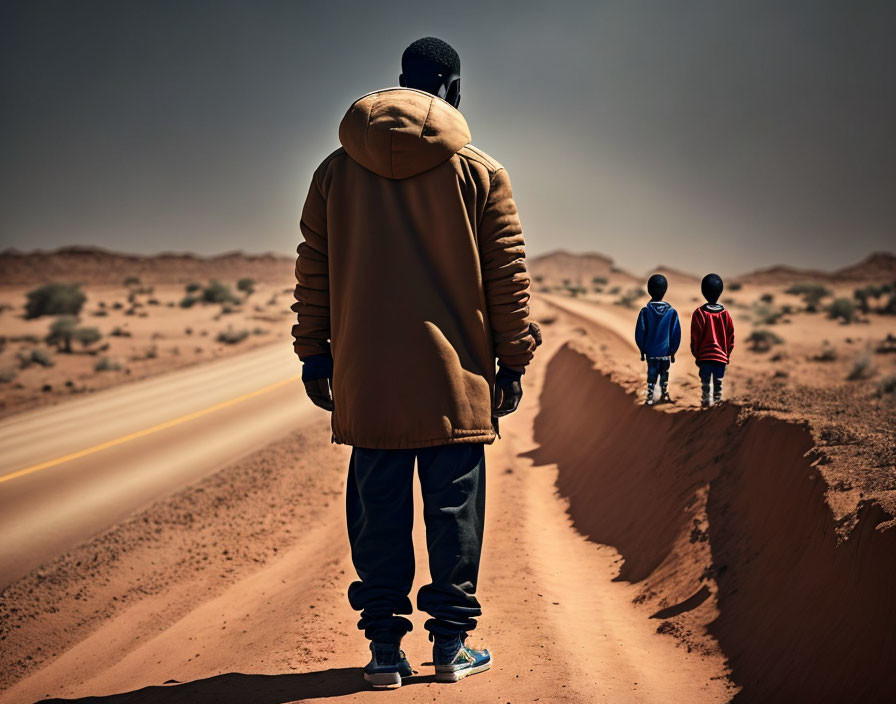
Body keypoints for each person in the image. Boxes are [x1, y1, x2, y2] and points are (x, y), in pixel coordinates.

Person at [291, 36, 540, 688]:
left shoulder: (334, 171)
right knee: (453, 512)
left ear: (400, 82)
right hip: (453, 382)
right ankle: (450, 647)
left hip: (367, 381)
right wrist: (512, 364)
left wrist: (315, 353)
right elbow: (507, 282)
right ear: (453, 90)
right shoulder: (482, 173)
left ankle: (382, 653)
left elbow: (312, 270)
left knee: (378, 513)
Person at [634, 274, 681, 405]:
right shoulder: (672, 312)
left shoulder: (645, 311)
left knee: (652, 374)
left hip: (651, 352)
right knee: (664, 373)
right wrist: (672, 350)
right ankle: (664, 394)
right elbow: (675, 334)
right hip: (665, 352)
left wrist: (642, 349)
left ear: (649, 290)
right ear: (665, 291)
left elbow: (640, 333)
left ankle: (650, 396)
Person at [690, 273, 735, 407]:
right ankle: (717, 401)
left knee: (705, 382)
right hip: (720, 356)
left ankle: (706, 401)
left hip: (704, 355)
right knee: (718, 382)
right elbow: (730, 336)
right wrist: (727, 353)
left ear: (703, 291)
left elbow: (695, 336)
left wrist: (697, 353)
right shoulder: (725, 314)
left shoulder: (699, 313)